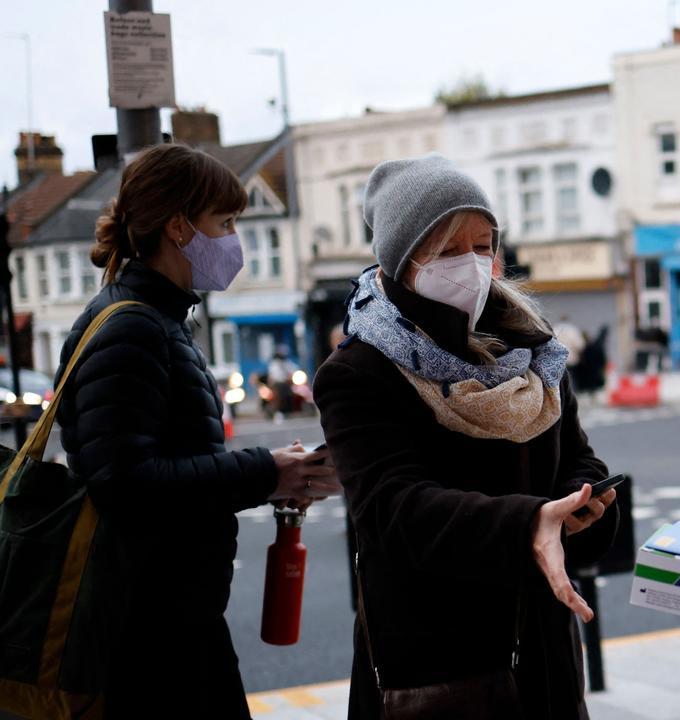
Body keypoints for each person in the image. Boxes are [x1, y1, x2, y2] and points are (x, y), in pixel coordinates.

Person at [313, 154, 619, 719]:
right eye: (450, 249)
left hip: (545, 659)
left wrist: (582, 500)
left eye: (484, 246)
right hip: (439, 673)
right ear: (403, 262)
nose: (474, 264)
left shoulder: (533, 351)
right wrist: (529, 522)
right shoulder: (358, 372)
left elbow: (580, 458)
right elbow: (392, 508)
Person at [59, 143, 340, 718]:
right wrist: (265, 471)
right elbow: (125, 482)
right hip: (151, 634)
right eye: (227, 223)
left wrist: (270, 470)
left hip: (170, 619)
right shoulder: (134, 327)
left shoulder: (156, 319)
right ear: (180, 228)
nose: (235, 240)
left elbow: (171, 455)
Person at [266, 345, 299, 422]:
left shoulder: (287, 363)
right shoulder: (274, 364)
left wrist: (292, 376)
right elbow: (273, 375)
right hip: (277, 384)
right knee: (278, 395)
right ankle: (277, 412)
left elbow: (294, 369)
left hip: (287, 383)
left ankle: (290, 409)